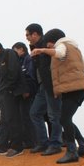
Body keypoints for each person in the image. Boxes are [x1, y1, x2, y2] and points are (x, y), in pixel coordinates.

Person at [31, 29, 84, 163]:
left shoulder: (62, 45)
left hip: (73, 89)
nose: (48, 47)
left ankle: (72, 151)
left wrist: (41, 51)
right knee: (65, 118)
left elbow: (59, 53)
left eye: (48, 44)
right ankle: (83, 145)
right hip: (77, 88)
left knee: (63, 118)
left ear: (53, 41)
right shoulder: (74, 48)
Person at [25, 23, 63, 156]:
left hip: (51, 84)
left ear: (35, 34)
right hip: (42, 86)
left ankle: (56, 144)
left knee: (54, 115)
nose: (27, 38)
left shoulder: (47, 44)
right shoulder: (35, 47)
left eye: (28, 35)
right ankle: (43, 142)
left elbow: (59, 57)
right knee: (34, 113)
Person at [0, 40, 24, 158]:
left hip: (10, 92)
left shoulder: (9, 54)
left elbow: (14, 71)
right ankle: (2, 146)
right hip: (2, 93)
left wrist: (9, 87)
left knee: (13, 118)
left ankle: (17, 146)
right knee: (4, 120)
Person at [12, 42, 37, 149]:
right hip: (21, 94)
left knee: (29, 116)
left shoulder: (28, 59)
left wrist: (27, 90)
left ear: (21, 49)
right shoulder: (18, 61)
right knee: (23, 117)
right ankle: (27, 141)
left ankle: (34, 141)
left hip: (29, 93)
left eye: (15, 50)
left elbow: (29, 76)